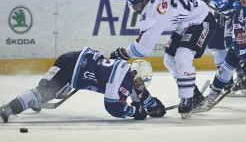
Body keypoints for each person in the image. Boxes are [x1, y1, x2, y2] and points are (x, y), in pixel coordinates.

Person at [109, 0, 217, 118]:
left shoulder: (155, 15)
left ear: (144, 2)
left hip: (201, 21)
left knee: (183, 56)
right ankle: (194, 94)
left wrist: (123, 54)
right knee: (169, 60)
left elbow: (142, 49)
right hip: (185, 22)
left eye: (136, 6)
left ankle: (187, 98)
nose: (136, 10)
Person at [0, 47, 166, 123]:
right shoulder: (121, 77)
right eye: (141, 81)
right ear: (135, 74)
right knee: (45, 92)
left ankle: (34, 101)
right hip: (72, 67)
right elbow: (113, 107)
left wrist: (154, 105)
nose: (140, 85)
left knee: (53, 92)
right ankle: (9, 108)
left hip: (73, 60)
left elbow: (139, 93)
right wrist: (134, 111)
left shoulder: (128, 73)